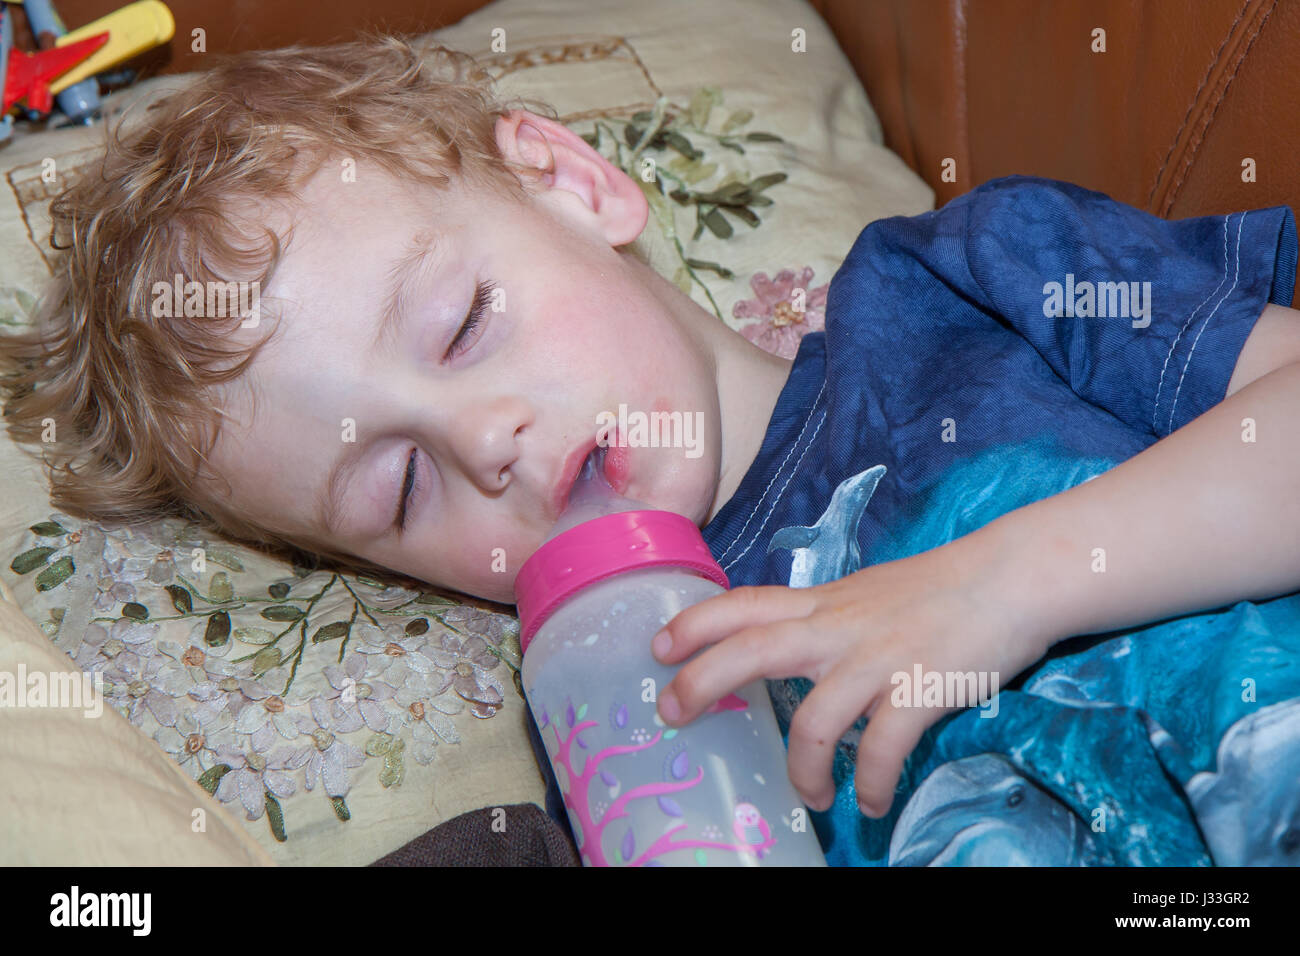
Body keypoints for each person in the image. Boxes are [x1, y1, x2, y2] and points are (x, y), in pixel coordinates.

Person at [4, 35, 1298, 866]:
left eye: (462, 326)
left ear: (571, 182)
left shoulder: (968, 286)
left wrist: (1002, 584)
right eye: (398, 486)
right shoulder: (622, 727)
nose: (485, 440)